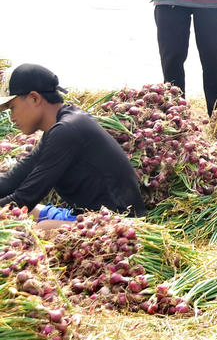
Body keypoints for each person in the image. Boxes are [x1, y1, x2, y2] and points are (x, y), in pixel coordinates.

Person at [0, 64, 144, 223]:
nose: (12, 118)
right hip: (83, 215)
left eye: (13, 108)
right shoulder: (59, 127)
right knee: (31, 212)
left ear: (35, 98)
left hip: (118, 221)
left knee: (43, 227)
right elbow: (13, 180)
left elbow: (26, 197)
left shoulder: (66, 131)